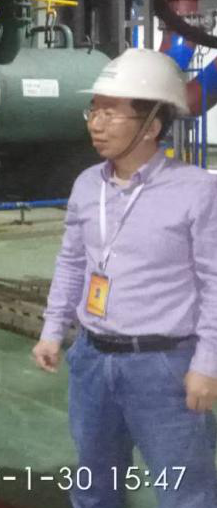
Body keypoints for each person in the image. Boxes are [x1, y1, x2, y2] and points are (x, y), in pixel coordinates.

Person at [33, 48, 217, 508]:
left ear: (151, 126)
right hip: (92, 359)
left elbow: (215, 281)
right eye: (93, 111)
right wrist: (53, 330)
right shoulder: (86, 185)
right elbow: (72, 262)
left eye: (110, 113)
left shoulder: (196, 191)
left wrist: (207, 365)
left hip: (165, 366)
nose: (96, 124)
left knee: (184, 493)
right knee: (94, 487)